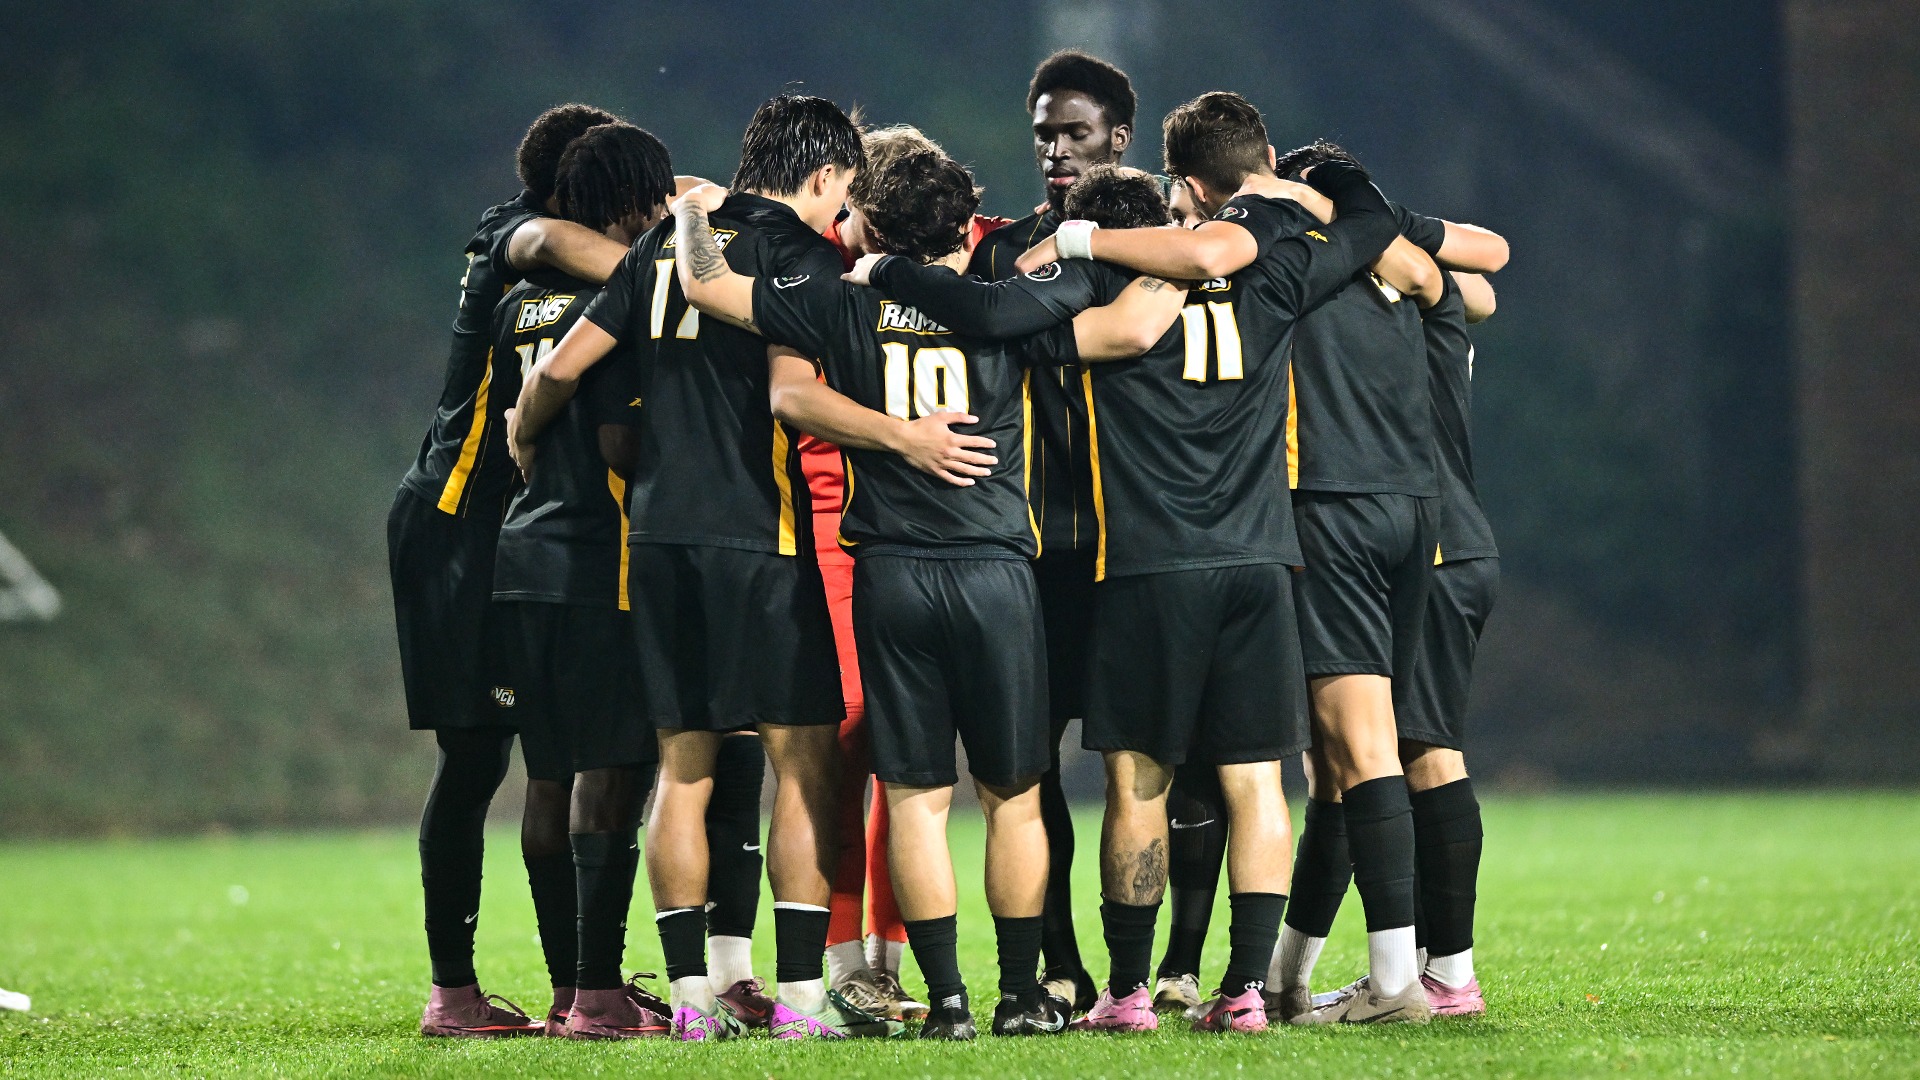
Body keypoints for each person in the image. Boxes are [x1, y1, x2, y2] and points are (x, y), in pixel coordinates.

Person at [672, 148, 1183, 1040]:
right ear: (966, 223)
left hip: (892, 574)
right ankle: (1021, 996)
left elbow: (711, 291)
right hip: (995, 572)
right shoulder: (1011, 312)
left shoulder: (839, 300)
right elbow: (1125, 327)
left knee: (914, 798)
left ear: (867, 220)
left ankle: (945, 1001)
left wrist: (689, 215)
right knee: (1014, 795)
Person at [509, 94, 977, 1042]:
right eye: (843, 193)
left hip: (659, 544)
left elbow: (560, 368)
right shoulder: (796, 254)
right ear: (819, 177)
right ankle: (802, 998)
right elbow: (790, 398)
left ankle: (689, 1001)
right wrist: (903, 438)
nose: (843, 215)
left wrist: (524, 434)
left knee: (683, 771)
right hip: (763, 542)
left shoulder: (656, 250)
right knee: (799, 766)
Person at [394, 102, 626, 1040]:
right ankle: (456, 993)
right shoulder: (513, 236)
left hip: (507, 528)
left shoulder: (545, 256)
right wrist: (680, 269)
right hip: (460, 526)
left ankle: (575, 987)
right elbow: (552, 240)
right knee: (482, 754)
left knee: (538, 755)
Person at [484, 121, 678, 1039]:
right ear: (636, 202)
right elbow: (619, 441)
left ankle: (569, 987)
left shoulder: (518, 300)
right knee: (614, 771)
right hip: (603, 560)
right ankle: (600, 991)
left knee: (548, 776)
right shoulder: (619, 310)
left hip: (523, 554)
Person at [969, 46, 1141, 1014]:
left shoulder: (1165, 246)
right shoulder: (1002, 253)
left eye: (1074, 132)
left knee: (1145, 766)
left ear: (1118, 134)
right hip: (1030, 556)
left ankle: (1153, 970)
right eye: (1043, 134)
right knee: (1025, 768)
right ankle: (1057, 962)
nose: (1057, 150)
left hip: (1135, 553)